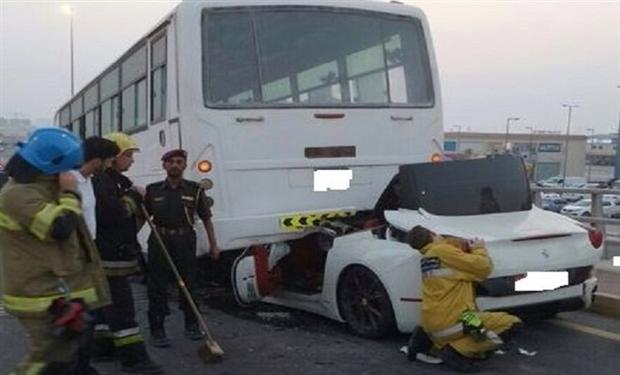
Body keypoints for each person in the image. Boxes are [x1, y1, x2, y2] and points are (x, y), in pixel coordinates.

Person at [0, 128, 111, 374]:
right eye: (67, 167)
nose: (69, 173)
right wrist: (71, 193)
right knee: (47, 361)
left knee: (62, 356)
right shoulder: (17, 194)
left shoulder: (42, 187)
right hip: (36, 294)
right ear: (51, 165)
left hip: (54, 290)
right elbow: (59, 228)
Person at [406, 225, 521, 373]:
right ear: (433, 233)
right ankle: (456, 351)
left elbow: (461, 270)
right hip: (460, 319)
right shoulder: (443, 251)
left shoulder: (428, 258)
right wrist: (479, 248)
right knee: (512, 325)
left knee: (480, 343)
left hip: (432, 324)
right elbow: (484, 267)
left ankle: (425, 344)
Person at [92, 132, 162, 374]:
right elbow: (114, 215)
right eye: (128, 155)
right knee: (122, 310)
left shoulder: (112, 180)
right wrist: (133, 197)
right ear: (115, 157)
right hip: (110, 256)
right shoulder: (103, 182)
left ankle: (102, 348)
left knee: (103, 307)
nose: (132, 161)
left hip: (107, 255)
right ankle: (135, 360)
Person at [144, 149, 220, 348]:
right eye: (171, 162)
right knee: (157, 285)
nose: (175, 165)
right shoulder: (153, 190)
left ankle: (192, 325)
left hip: (184, 239)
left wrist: (213, 244)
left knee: (189, 283)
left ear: (185, 165)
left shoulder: (195, 190)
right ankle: (157, 329)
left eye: (179, 162)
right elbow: (141, 217)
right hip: (160, 240)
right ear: (164, 165)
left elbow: (207, 219)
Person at [68, 137, 120, 371]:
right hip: (73, 256)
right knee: (76, 313)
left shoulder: (89, 181)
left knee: (89, 310)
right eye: (109, 160)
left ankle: (83, 363)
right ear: (97, 160)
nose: (110, 165)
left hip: (90, 251)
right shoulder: (71, 182)